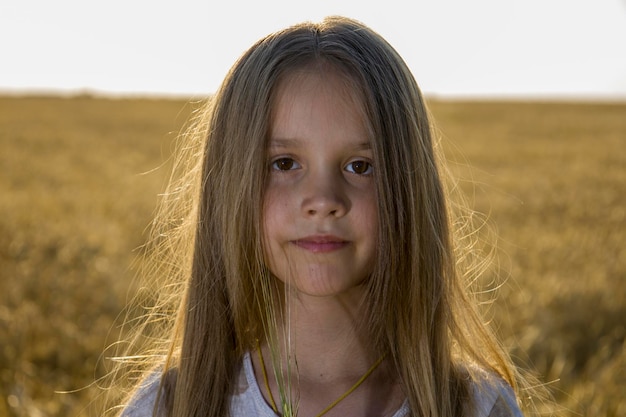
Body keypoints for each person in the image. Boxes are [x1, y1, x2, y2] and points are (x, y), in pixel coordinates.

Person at [113, 15, 536, 417]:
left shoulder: (474, 406)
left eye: (360, 166)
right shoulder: (172, 404)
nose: (322, 199)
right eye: (283, 164)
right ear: (231, 187)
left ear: (408, 191)